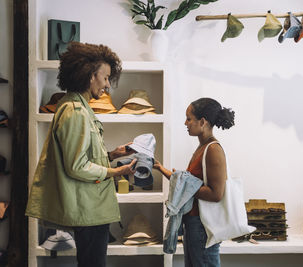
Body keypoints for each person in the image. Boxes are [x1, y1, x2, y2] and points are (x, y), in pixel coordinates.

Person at [25, 42, 136, 267]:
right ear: (89, 75)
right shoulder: (75, 111)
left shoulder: (79, 107)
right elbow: (76, 166)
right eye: (104, 77)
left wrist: (112, 154)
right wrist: (115, 171)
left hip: (91, 207)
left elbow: (81, 155)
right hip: (89, 209)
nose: (107, 84)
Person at [154, 97, 235, 267]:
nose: (186, 123)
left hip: (203, 226)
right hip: (193, 223)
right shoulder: (203, 147)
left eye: (189, 118)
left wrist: (185, 183)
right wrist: (160, 168)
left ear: (203, 121)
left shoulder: (213, 150)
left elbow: (216, 193)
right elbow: (187, 184)